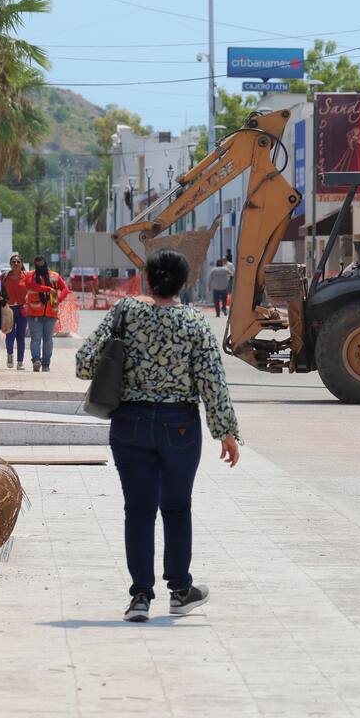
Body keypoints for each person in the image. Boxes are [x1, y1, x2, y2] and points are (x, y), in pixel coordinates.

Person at [75, 248, 241, 623]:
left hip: (129, 422)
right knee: (177, 508)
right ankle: (181, 590)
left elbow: (85, 363)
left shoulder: (125, 313)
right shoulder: (196, 324)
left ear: (147, 278)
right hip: (179, 426)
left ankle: (140, 597)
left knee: (138, 510)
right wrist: (226, 432)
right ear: (184, 282)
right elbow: (212, 381)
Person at [23, 255, 70, 372]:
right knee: (35, 338)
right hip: (34, 313)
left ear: (45, 263)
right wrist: (48, 289)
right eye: (37, 264)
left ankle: (46, 363)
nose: (40, 266)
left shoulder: (54, 276)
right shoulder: (31, 275)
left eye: (42, 263)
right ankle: (36, 360)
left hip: (51, 313)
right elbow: (32, 286)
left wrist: (58, 300)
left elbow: (65, 289)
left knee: (48, 340)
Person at [1, 254, 29, 370]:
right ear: (10, 264)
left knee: (21, 336)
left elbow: (32, 290)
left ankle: (20, 361)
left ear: (22, 264)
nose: (16, 264)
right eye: (13, 262)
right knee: (10, 334)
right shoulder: (4, 277)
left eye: (18, 262)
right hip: (9, 309)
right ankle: (10, 355)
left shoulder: (27, 277)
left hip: (22, 309)